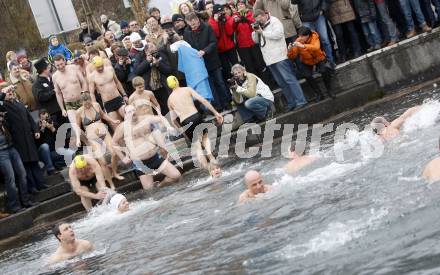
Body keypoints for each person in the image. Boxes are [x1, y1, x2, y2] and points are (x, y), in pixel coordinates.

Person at [112, 105, 181, 190]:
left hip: (155, 157)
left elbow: (161, 118)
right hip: (140, 163)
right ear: (125, 115)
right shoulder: (122, 127)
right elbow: (114, 143)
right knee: (149, 190)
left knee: (176, 176)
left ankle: (160, 185)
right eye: (130, 112)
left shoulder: (146, 119)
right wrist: (122, 158)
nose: (133, 113)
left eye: (134, 110)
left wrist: (168, 126)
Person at [252, 9, 307, 112]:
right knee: (281, 83)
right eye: (257, 19)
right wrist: (256, 31)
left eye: (260, 18)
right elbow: (255, 41)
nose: (260, 21)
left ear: (264, 15)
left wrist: (262, 32)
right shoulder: (260, 27)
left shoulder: (274, 21)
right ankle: (292, 103)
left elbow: (278, 34)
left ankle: (301, 101)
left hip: (280, 57)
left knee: (289, 80)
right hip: (269, 60)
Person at [0, 83, 48, 193]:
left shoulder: (19, 103)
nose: (10, 93)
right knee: (25, 165)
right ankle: (32, 187)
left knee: (34, 161)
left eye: (11, 92)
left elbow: (30, 118)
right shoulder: (4, 106)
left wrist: (36, 130)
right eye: (8, 92)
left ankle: (41, 183)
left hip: (28, 137)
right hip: (17, 140)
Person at [184, 12, 232, 111]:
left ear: (197, 20)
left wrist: (204, 51)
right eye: (191, 23)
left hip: (213, 61)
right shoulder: (186, 33)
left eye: (195, 22)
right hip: (200, 64)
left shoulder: (207, 27)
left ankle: (227, 103)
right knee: (210, 86)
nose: (193, 25)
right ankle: (217, 106)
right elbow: (187, 48)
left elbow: (213, 42)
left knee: (220, 82)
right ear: (187, 23)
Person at [76, 92, 123, 181]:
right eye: (85, 105)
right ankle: (110, 182)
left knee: (114, 152)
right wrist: (78, 139)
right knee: (103, 162)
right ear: (81, 103)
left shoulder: (96, 105)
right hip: (92, 138)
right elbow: (77, 127)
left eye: (88, 103)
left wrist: (113, 120)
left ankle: (114, 172)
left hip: (103, 132)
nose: (87, 106)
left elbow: (103, 115)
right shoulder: (79, 112)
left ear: (91, 100)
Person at [167, 75, 223, 142]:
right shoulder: (187, 89)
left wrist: (184, 133)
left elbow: (173, 121)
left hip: (185, 122)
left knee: (197, 146)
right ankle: (208, 151)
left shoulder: (169, 100)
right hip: (196, 117)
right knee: (205, 141)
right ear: (177, 81)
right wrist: (215, 113)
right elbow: (203, 100)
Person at [287, 26, 336, 101]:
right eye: (299, 36)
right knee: (306, 75)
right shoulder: (298, 41)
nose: (300, 38)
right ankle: (319, 94)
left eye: (302, 36)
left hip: (319, 58)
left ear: (307, 35)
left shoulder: (314, 36)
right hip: (307, 61)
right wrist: (290, 50)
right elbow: (292, 56)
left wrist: (303, 46)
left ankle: (329, 90)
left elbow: (316, 47)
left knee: (324, 70)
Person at [0, 107, 33, 213]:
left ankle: (26, 201)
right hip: (1, 152)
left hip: (11, 148)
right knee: (10, 177)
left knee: (22, 173)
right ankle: (14, 206)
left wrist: (3, 121)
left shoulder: (3, 121)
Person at [89, 56, 128, 128]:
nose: (100, 68)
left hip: (118, 99)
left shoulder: (110, 69)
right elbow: (91, 93)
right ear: (94, 66)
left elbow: (117, 83)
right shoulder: (92, 76)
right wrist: (95, 105)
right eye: (98, 67)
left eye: (101, 66)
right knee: (117, 126)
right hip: (108, 103)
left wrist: (124, 95)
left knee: (128, 118)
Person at [52, 54, 88, 132]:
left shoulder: (73, 68)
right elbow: (58, 93)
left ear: (64, 61)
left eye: (61, 64)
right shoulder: (55, 76)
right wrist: (62, 109)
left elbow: (83, 82)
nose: (60, 66)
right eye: (57, 65)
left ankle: (93, 142)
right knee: (76, 129)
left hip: (81, 100)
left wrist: (84, 94)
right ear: (54, 65)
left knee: (87, 125)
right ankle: (86, 142)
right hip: (69, 105)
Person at [134, 42, 171, 115]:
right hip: (149, 90)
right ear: (146, 51)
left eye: (155, 51)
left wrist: (158, 64)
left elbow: (168, 70)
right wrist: (147, 61)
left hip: (162, 88)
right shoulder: (140, 56)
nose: (154, 53)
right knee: (155, 112)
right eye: (151, 52)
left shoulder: (160, 54)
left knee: (168, 110)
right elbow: (137, 71)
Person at [233, 1, 266, 78]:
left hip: (253, 43)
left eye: (242, 4)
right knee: (250, 66)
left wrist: (247, 20)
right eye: (238, 5)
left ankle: (267, 82)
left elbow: (255, 24)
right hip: (243, 46)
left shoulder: (251, 14)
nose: (240, 6)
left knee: (259, 63)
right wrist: (236, 21)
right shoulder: (235, 16)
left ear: (245, 5)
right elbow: (232, 28)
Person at [208, 4, 239, 80]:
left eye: (221, 12)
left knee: (237, 65)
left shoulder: (226, 18)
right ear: (214, 13)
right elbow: (216, 35)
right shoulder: (211, 21)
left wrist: (225, 22)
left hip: (230, 47)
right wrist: (216, 22)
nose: (220, 14)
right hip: (220, 50)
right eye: (218, 13)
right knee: (227, 69)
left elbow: (230, 32)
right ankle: (232, 84)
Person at [33, 58, 64, 126]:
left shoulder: (51, 78)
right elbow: (40, 97)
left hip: (60, 110)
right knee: (61, 135)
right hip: (51, 114)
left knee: (68, 131)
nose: (50, 68)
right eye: (48, 67)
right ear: (44, 69)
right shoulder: (37, 84)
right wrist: (53, 91)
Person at [36, 110, 66, 175]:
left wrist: (52, 129)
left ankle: (55, 164)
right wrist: (42, 129)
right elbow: (37, 142)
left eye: (47, 117)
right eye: (43, 118)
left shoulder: (53, 123)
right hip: (43, 154)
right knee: (45, 146)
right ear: (40, 118)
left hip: (53, 152)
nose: (45, 120)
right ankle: (51, 169)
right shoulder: (37, 127)